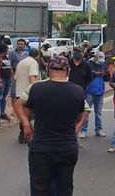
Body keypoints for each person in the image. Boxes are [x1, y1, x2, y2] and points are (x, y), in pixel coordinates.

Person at [15, 54, 88, 195]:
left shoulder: (36, 88)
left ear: (48, 69)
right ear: (68, 70)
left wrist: (26, 125)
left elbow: (26, 111)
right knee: (64, 188)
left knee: (40, 188)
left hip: (41, 147)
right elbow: (79, 116)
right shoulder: (78, 91)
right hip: (67, 148)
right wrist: (77, 127)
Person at [14, 49, 41, 143]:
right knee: (30, 115)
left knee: (23, 115)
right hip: (29, 93)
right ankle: (28, 135)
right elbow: (32, 77)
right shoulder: (33, 63)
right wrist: (37, 90)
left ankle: (22, 135)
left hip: (19, 92)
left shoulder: (21, 62)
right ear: (37, 56)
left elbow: (15, 77)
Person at [82, 51, 108, 138]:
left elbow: (107, 78)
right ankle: (83, 130)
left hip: (99, 91)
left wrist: (105, 74)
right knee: (86, 112)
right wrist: (94, 73)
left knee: (99, 112)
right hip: (89, 91)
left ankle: (99, 129)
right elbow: (84, 75)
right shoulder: (88, 64)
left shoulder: (103, 64)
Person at [10, 39, 29, 112]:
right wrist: (13, 75)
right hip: (15, 74)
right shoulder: (12, 53)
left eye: (22, 44)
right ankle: (15, 111)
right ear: (16, 45)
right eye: (19, 44)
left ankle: (22, 109)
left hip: (24, 75)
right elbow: (10, 65)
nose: (20, 45)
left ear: (24, 45)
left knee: (23, 93)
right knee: (14, 93)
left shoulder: (27, 53)